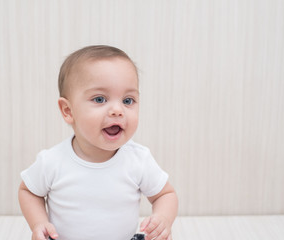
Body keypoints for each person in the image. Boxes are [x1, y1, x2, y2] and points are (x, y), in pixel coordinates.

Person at [18, 45, 178, 240]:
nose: (117, 110)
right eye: (100, 99)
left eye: (128, 101)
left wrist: (162, 219)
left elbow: (165, 194)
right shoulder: (53, 161)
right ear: (68, 111)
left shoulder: (138, 159)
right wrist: (39, 223)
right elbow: (29, 191)